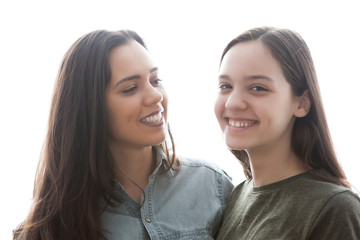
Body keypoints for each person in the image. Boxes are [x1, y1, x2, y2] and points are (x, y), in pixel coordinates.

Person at [13, 29, 233, 240]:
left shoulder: (212, 185)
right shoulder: (45, 228)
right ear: (91, 108)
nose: (155, 96)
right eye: (130, 88)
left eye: (155, 80)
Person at [214, 26, 360, 239]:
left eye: (257, 88)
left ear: (301, 104)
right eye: (225, 86)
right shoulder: (237, 195)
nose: (233, 102)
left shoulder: (335, 208)